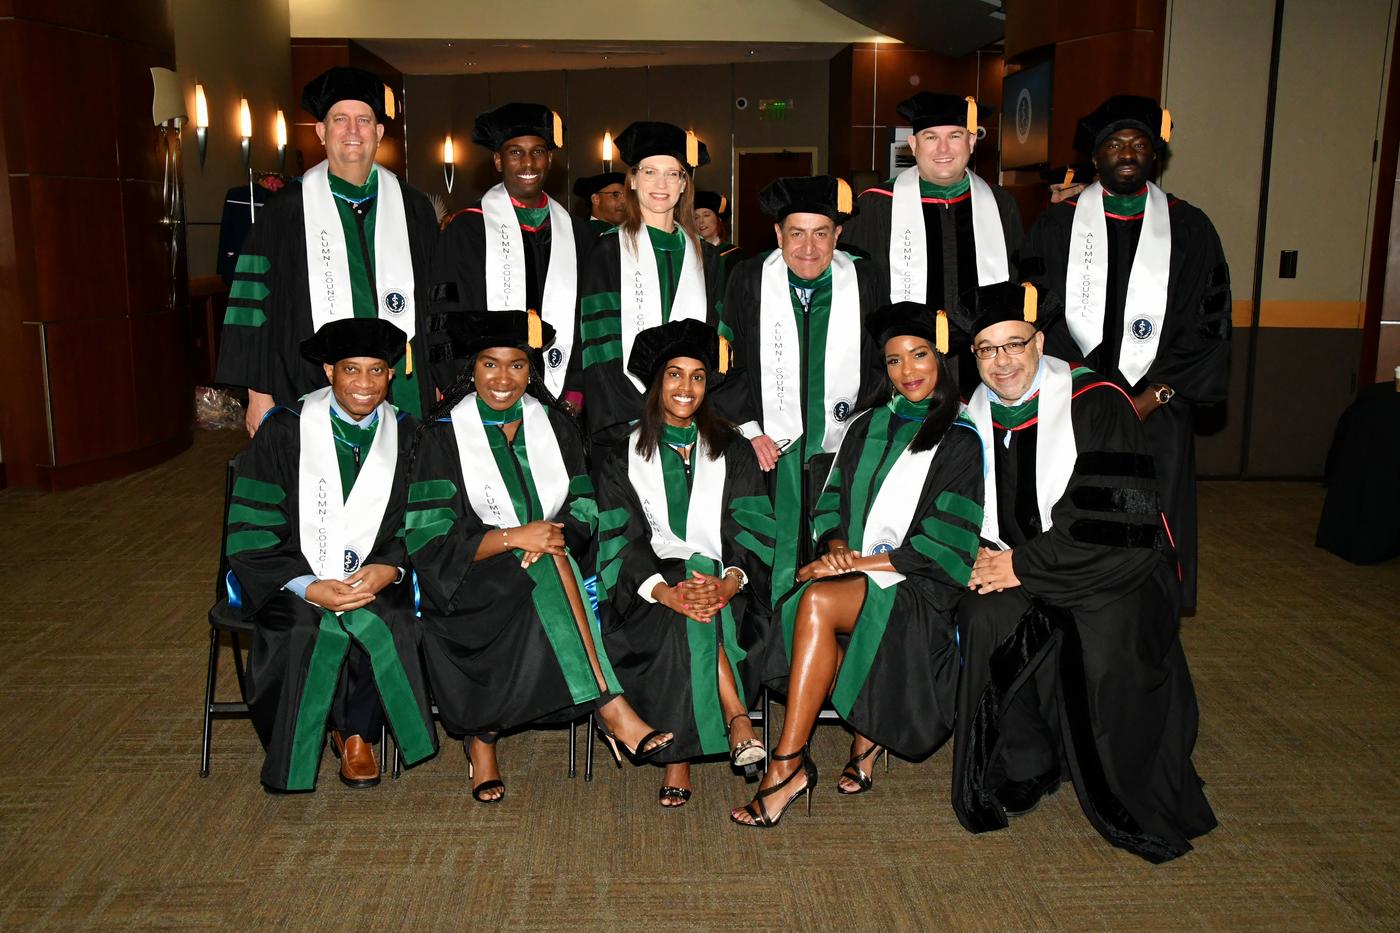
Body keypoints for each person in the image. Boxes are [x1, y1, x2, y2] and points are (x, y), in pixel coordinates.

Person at [950, 280, 1217, 862]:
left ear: (1039, 341)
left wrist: (1023, 564)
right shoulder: (971, 414)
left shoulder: (1095, 400)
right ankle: (1026, 760)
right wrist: (980, 556)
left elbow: (1117, 523)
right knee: (980, 615)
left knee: (1102, 645)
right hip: (1015, 564)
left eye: (1014, 344)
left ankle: (1124, 787)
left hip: (1111, 569)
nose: (1002, 362)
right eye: (987, 350)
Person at [731, 302, 985, 827]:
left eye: (919, 356)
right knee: (819, 596)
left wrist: (854, 563)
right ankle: (855, 736)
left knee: (818, 598)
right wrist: (837, 546)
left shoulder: (959, 437)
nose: (907, 371)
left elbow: (945, 542)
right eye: (893, 361)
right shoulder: (867, 424)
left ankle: (786, 765)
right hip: (859, 573)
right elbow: (830, 501)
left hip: (919, 584)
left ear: (940, 360)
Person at [406, 309, 673, 803]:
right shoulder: (444, 434)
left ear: (532, 370)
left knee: (550, 563)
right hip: (469, 579)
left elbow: (586, 505)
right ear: (473, 369)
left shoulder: (554, 423)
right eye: (490, 364)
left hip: (549, 562)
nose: (503, 379)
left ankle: (481, 741)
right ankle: (609, 705)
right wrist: (514, 538)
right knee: (548, 565)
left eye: (516, 366)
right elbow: (429, 537)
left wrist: (552, 537)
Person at [1019, 95, 1231, 610]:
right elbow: (1035, 316)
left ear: (1155, 156)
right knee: (1079, 506)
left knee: (1155, 513)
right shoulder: (1057, 225)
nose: (1128, 153)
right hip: (1077, 402)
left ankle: (1153, 611)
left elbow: (1207, 323)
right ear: (1097, 157)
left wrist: (1155, 393)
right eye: (1116, 144)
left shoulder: (1190, 227)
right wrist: (1088, 389)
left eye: (1140, 144)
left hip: (1159, 405)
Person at [225, 317, 437, 792]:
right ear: (328, 370)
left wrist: (389, 566)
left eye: (377, 371)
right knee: (301, 625)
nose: (365, 384)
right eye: (351, 370)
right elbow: (253, 526)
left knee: (391, 618)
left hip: (374, 575)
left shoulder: (410, 435)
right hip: (294, 576)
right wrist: (307, 584)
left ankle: (358, 734)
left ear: (391, 374)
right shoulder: (285, 430)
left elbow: (426, 517)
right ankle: (300, 742)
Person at [593, 319, 776, 808]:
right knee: (689, 592)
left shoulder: (733, 450)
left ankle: (679, 758)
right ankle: (737, 716)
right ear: (655, 383)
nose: (686, 387)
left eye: (697, 376)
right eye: (674, 374)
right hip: (644, 596)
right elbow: (618, 538)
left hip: (730, 598)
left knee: (699, 591)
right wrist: (663, 590)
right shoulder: (619, 453)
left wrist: (732, 583)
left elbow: (753, 529)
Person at [217, 66, 443, 432]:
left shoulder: (414, 209)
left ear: (379, 133)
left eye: (364, 120)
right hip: (307, 380)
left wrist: (441, 378)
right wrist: (259, 395)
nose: (352, 131)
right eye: (340, 119)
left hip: (406, 384)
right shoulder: (285, 211)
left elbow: (439, 303)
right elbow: (254, 308)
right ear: (321, 132)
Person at [721, 175, 882, 605]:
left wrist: (861, 437)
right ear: (778, 233)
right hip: (767, 455)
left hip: (841, 455)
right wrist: (750, 429)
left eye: (821, 233)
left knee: (835, 561)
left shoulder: (865, 280)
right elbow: (724, 360)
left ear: (838, 235)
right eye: (796, 233)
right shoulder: (747, 279)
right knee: (768, 562)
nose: (808, 248)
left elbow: (882, 368)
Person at [429, 103, 592, 406]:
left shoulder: (577, 233)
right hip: (483, 391)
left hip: (560, 392)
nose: (528, 163)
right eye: (515, 152)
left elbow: (585, 320)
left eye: (538, 152)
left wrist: (576, 387)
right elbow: (444, 315)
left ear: (550, 159)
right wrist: (457, 384)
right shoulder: (468, 229)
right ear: (498, 161)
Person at [578, 121, 724, 457]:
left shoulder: (708, 257)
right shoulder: (608, 252)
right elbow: (601, 347)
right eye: (649, 172)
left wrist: (686, 414)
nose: (661, 184)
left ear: (684, 183)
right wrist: (638, 419)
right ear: (632, 179)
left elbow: (717, 343)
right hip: (624, 423)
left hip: (692, 421)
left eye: (672, 174)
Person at [694, 189, 745, 292]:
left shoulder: (735, 256)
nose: (701, 221)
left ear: (719, 219)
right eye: (696, 217)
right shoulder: (691, 254)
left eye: (706, 215)